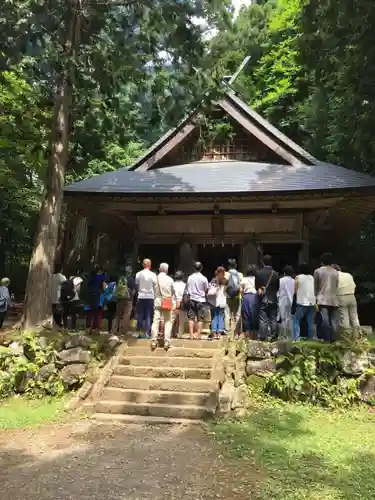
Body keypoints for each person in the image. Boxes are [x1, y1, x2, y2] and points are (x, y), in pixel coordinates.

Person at [314, 253, 339, 341]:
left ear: (322, 262)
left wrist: (315, 298)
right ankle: (334, 339)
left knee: (325, 321)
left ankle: (327, 339)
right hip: (334, 299)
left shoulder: (317, 271)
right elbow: (336, 285)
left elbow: (315, 287)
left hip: (322, 299)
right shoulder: (335, 272)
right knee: (334, 321)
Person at [151, 263, 175, 350]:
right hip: (167, 302)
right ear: (166, 270)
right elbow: (173, 292)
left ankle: (153, 341)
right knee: (168, 322)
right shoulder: (170, 279)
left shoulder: (154, 278)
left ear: (160, 269)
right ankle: (167, 342)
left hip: (157, 301)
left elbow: (152, 290)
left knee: (155, 321)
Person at [255, 255, 279, 341]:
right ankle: (273, 336)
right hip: (273, 299)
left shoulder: (258, 273)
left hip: (263, 299)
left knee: (263, 319)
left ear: (263, 262)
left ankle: (263, 337)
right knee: (273, 319)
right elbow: (277, 288)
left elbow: (256, 287)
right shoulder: (275, 274)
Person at [185, 261, 209, 340]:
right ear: (201, 268)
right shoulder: (204, 278)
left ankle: (191, 334)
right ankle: (198, 335)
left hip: (191, 299)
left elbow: (187, 288)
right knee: (200, 318)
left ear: (193, 268)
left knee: (191, 318)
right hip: (201, 300)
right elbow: (206, 289)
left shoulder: (190, 277)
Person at [334, 265, 360, 332]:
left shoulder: (334, 276)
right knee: (354, 316)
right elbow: (354, 285)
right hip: (352, 296)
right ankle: (358, 334)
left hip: (341, 297)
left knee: (344, 317)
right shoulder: (348, 275)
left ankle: (347, 334)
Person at [293, 263, 315, 341]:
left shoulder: (298, 277)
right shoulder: (312, 278)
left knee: (296, 320)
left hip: (302, 302)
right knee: (310, 322)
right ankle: (311, 338)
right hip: (312, 302)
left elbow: (295, 290)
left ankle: (297, 339)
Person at [135, 258, 157, 338]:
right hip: (150, 297)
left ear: (143, 265)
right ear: (150, 265)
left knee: (140, 314)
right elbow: (155, 287)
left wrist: (139, 293)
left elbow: (137, 286)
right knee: (148, 315)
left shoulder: (138, 274)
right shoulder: (153, 275)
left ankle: (140, 332)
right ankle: (147, 333)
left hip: (141, 296)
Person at [225, 259, 243, 336]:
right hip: (237, 297)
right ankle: (236, 332)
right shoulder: (240, 275)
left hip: (227, 297)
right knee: (237, 315)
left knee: (227, 315)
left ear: (228, 266)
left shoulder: (225, 274)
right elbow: (242, 286)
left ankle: (228, 333)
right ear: (236, 265)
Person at [240, 264, 259, 339]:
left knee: (246, 316)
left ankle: (247, 337)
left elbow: (241, 290)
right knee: (255, 316)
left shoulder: (244, 279)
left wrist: (243, 296)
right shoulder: (257, 279)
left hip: (246, 297)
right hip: (255, 297)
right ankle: (255, 337)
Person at [207, 267, 227, 340]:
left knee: (214, 315)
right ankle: (219, 332)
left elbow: (209, 289)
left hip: (214, 300)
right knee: (221, 316)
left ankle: (214, 333)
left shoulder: (213, 280)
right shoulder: (225, 281)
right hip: (222, 300)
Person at [115, 266, 135, 334]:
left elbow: (117, 288)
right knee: (126, 315)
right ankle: (124, 331)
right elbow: (133, 291)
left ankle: (116, 329)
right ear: (131, 271)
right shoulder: (131, 279)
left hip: (120, 299)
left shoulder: (121, 278)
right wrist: (132, 297)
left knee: (118, 314)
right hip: (128, 300)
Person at [86, 266, 105, 332]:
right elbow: (103, 286)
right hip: (97, 295)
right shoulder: (100, 277)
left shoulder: (91, 277)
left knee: (90, 312)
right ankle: (94, 327)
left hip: (90, 295)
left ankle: (88, 326)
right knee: (96, 312)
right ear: (99, 271)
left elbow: (88, 285)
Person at [278, 265, 295, 339]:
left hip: (282, 300)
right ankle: (290, 336)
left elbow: (278, 292)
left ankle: (282, 335)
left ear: (284, 273)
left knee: (283, 318)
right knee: (290, 319)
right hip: (292, 301)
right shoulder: (294, 281)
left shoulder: (280, 280)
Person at [172, 270, 186, 338]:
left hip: (174, 303)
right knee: (181, 321)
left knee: (171, 320)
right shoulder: (184, 285)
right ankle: (180, 334)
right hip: (182, 303)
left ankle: (171, 333)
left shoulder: (173, 284)